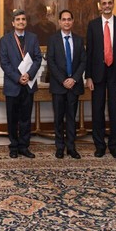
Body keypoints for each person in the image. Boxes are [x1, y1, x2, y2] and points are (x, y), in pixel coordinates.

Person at [85, 0, 116, 159]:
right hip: (97, 74)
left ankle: (114, 146)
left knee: (114, 110)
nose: (107, 6)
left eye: (109, 3)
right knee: (97, 110)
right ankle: (99, 145)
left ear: (113, 4)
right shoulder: (92, 25)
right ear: (100, 6)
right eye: (103, 3)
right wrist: (88, 76)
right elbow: (89, 52)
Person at [0, 9, 42, 158]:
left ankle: (24, 146)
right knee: (12, 118)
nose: (21, 22)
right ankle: (14, 147)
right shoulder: (4, 40)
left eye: (23, 19)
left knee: (25, 118)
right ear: (13, 23)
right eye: (18, 20)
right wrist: (18, 78)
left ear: (26, 22)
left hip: (28, 85)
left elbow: (38, 58)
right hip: (13, 85)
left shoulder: (33, 38)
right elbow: (4, 63)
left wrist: (29, 75)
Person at [46, 9, 87, 159]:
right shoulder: (53, 39)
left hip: (74, 85)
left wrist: (74, 79)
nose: (66, 22)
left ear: (73, 21)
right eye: (64, 19)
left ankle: (71, 147)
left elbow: (83, 61)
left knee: (71, 118)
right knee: (58, 118)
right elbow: (51, 62)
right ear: (59, 22)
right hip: (59, 86)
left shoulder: (78, 39)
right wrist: (63, 80)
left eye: (69, 19)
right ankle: (60, 147)